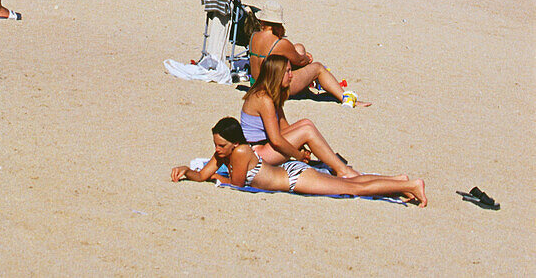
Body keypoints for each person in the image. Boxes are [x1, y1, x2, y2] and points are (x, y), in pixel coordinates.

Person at [171, 116, 426, 205]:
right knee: (352, 183)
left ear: (235, 143)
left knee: (352, 188)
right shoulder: (224, 153)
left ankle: (409, 185)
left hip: (294, 178)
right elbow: (203, 175)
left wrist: (216, 176)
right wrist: (187, 171)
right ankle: (398, 181)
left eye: (221, 145)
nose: (217, 149)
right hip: (288, 172)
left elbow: (236, 183)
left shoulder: (240, 154)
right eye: (216, 144)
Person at [247, 2, 367, 103]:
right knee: (318, 68)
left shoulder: (254, 37)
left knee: (298, 47)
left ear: (262, 21)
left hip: (256, 86)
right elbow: (301, 61)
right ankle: (345, 97)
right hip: (274, 90)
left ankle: (307, 89)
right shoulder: (280, 43)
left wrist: (300, 53)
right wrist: (306, 56)